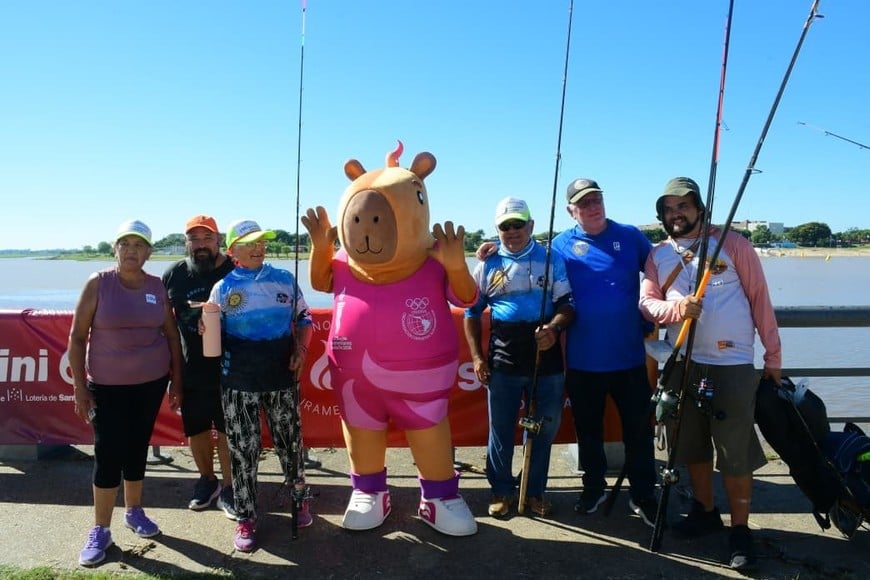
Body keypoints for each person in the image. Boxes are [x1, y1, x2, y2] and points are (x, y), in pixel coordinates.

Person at [639, 176, 782, 570]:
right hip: (682, 362)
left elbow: (760, 299)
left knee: (734, 452)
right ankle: (705, 510)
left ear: (700, 207)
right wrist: (676, 310)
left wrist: (773, 356)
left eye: (683, 205)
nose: (676, 214)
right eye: (668, 208)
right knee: (692, 445)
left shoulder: (733, 243)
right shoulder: (657, 255)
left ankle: (740, 529)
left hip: (732, 365)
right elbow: (647, 304)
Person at [69, 219, 183, 567]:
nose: (131, 251)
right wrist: (79, 388)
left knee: (137, 449)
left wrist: (176, 380)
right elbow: (76, 337)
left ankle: (134, 512)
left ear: (149, 252)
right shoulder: (98, 283)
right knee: (107, 454)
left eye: (139, 245)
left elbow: (171, 336)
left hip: (149, 385)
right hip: (106, 388)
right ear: (114, 249)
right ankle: (100, 530)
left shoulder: (156, 286)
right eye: (125, 244)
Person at [549, 178, 659, 527]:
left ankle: (644, 494)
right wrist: (491, 250)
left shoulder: (630, 236)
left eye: (597, 200)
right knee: (589, 433)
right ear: (571, 211)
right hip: (583, 361)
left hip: (629, 357)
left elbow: (664, 267)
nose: (593, 207)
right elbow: (535, 266)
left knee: (639, 432)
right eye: (584, 204)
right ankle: (593, 488)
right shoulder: (559, 245)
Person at [207, 219, 314, 552]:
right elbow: (212, 336)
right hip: (237, 381)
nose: (258, 247)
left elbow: (305, 320)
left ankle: (300, 501)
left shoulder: (284, 278)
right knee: (243, 451)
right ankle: (246, 517)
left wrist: (301, 349)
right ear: (233, 251)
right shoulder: (222, 288)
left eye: (262, 242)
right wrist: (204, 327)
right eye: (249, 243)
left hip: (281, 379)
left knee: (291, 444)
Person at [464, 197, 574, 519]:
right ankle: (501, 491)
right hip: (504, 355)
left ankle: (535, 491)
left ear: (531, 225)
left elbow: (568, 304)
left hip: (546, 354)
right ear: (497, 229)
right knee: (500, 430)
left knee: (543, 428)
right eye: (505, 226)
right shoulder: (486, 262)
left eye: (518, 224)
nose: (512, 231)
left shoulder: (552, 258)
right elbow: (471, 312)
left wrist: (553, 328)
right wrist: (477, 357)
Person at [162, 215, 237, 518]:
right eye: (194, 239)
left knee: (228, 431)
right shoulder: (175, 274)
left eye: (207, 238)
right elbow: (167, 329)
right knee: (196, 431)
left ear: (219, 240)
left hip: (233, 369)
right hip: (192, 371)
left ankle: (231, 487)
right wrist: (174, 377)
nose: (201, 245)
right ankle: (208, 480)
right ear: (186, 243)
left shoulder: (236, 270)